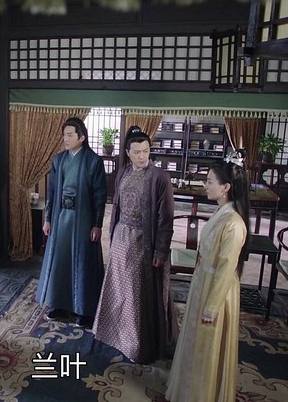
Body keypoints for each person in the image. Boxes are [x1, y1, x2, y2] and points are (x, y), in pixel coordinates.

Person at [166, 151, 251, 402]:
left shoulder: (233, 223)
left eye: (210, 181)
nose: (206, 185)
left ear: (225, 187)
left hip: (217, 291)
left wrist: (212, 306)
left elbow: (226, 268)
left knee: (207, 344)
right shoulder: (222, 212)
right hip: (204, 281)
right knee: (196, 340)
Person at [92, 126, 179, 364]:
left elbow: (166, 218)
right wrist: (112, 235)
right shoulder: (123, 172)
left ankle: (137, 343)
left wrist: (160, 250)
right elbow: (117, 207)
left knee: (135, 294)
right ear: (128, 153)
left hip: (143, 241)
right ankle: (115, 334)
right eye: (137, 152)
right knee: (118, 288)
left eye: (146, 151)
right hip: (121, 238)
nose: (142, 156)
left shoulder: (160, 178)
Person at [36, 117, 107, 328]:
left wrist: (97, 224)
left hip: (83, 218)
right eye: (64, 135)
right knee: (60, 260)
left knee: (83, 262)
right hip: (61, 218)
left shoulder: (93, 161)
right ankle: (59, 304)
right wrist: (48, 219)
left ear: (81, 137)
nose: (65, 139)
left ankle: (85, 310)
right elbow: (51, 192)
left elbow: (100, 195)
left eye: (70, 135)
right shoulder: (59, 160)